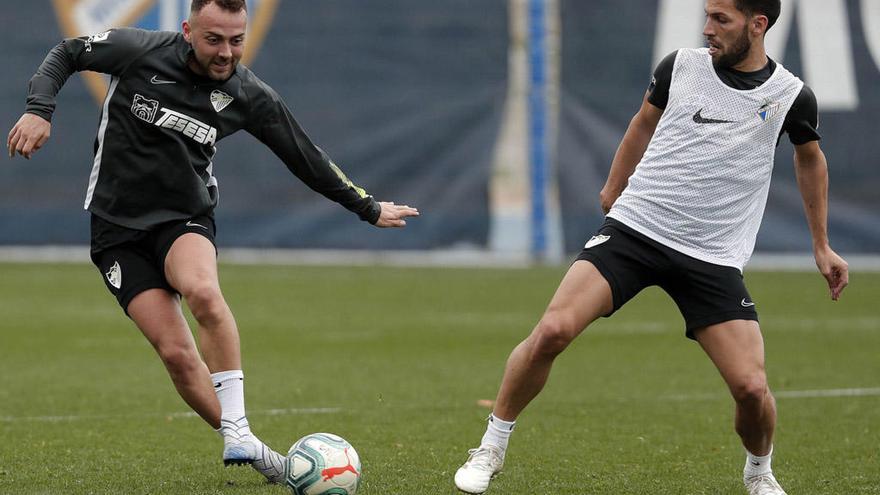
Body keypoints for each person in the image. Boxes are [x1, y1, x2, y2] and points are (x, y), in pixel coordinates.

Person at [7, 0, 418, 484]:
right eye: (214, 40)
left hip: (184, 217)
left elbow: (306, 156)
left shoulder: (248, 94)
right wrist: (39, 110)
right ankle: (268, 461)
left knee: (203, 291)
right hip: (115, 230)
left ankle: (238, 427)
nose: (226, 52)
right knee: (179, 357)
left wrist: (367, 207)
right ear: (187, 31)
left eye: (236, 40)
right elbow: (68, 51)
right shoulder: (137, 51)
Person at [453, 0, 848, 493]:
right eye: (706, 16)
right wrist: (614, 184)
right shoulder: (678, 66)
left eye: (721, 20)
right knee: (553, 330)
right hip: (637, 229)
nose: (708, 29)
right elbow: (643, 121)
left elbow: (811, 161)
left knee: (750, 388)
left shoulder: (792, 95)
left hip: (712, 255)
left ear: (758, 24)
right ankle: (491, 446)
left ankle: (759, 473)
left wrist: (822, 245)